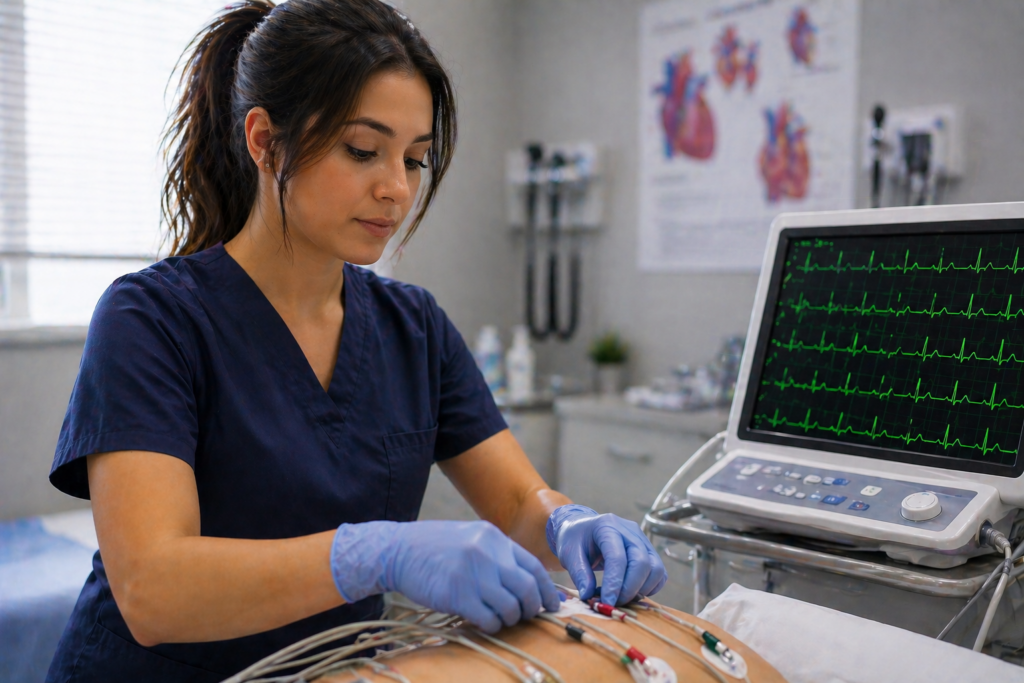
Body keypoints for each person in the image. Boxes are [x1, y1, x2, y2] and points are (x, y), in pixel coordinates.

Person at [45, 1, 667, 681]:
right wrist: (373, 553)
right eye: (363, 150)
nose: (395, 189)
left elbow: (518, 500)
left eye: (415, 159)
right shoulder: (152, 319)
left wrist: (567, 523)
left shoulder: (414, 328)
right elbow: (152, 591)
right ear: (264, 141)